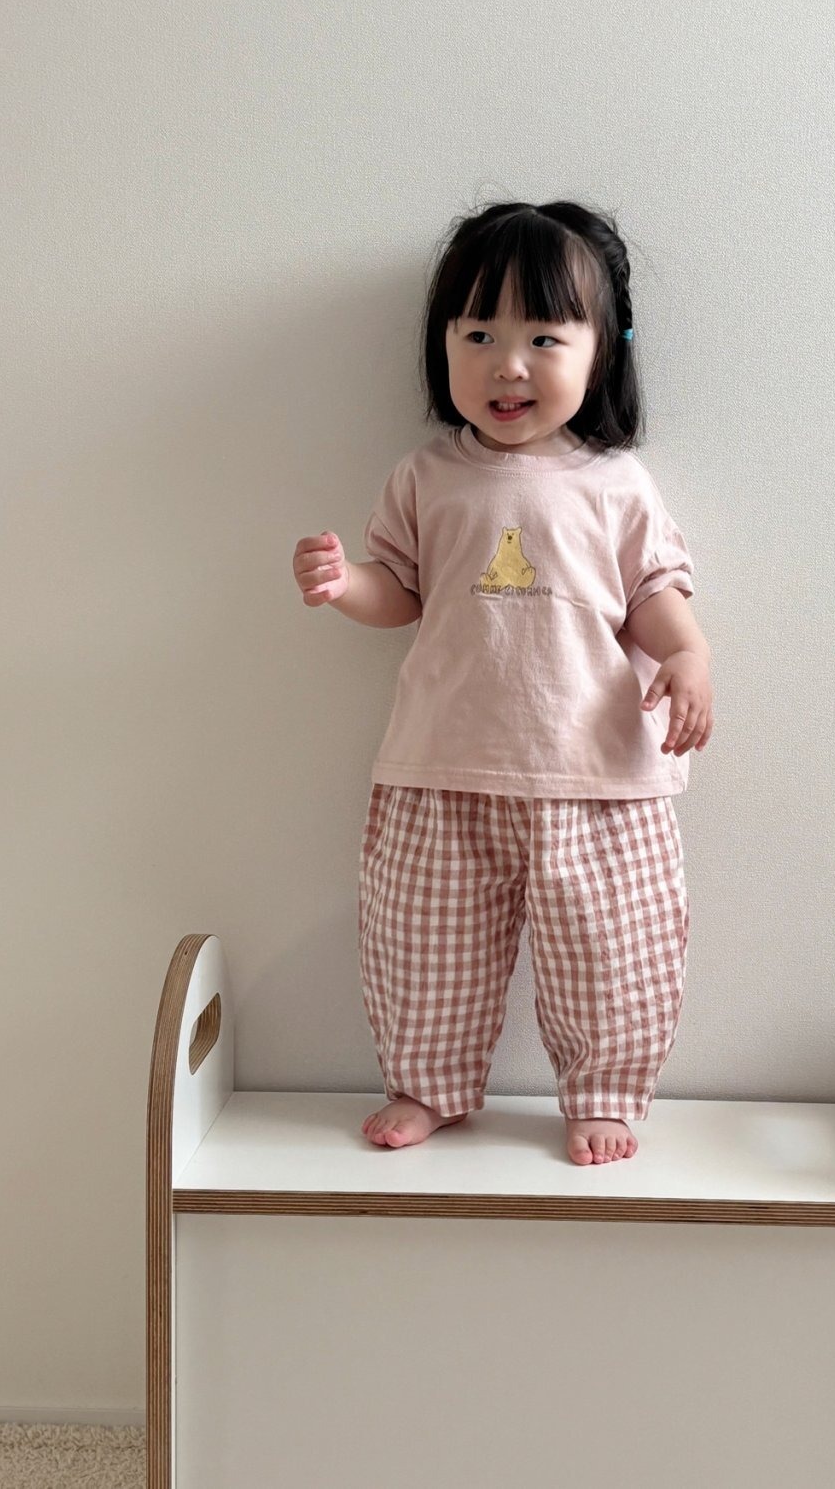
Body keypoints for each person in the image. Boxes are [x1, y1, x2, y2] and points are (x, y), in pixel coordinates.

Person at [291, 199, 714, 1165]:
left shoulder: (616, 484)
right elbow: (402, 591)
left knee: (613, 950)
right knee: (422, 943)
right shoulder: (427, 477)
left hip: (598, 776)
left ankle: (603, 1090)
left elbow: (653, 592)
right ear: (442, 344)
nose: (507, 364)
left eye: (543, 338)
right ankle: (426, 1083)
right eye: (478, 334)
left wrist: (690, 653)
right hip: (443, 766)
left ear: (601, 352)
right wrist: (346, 583)